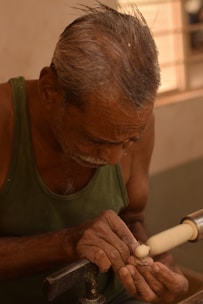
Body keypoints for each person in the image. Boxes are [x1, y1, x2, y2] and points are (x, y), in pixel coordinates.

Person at [0, 2, 188, 304]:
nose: (114, 159)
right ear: (50, 90)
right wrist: (67, 242)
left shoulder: (132, 123)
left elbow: (132, 215)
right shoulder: (5, 122)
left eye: (127, 142)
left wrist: (153, 263)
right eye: (96, 139)